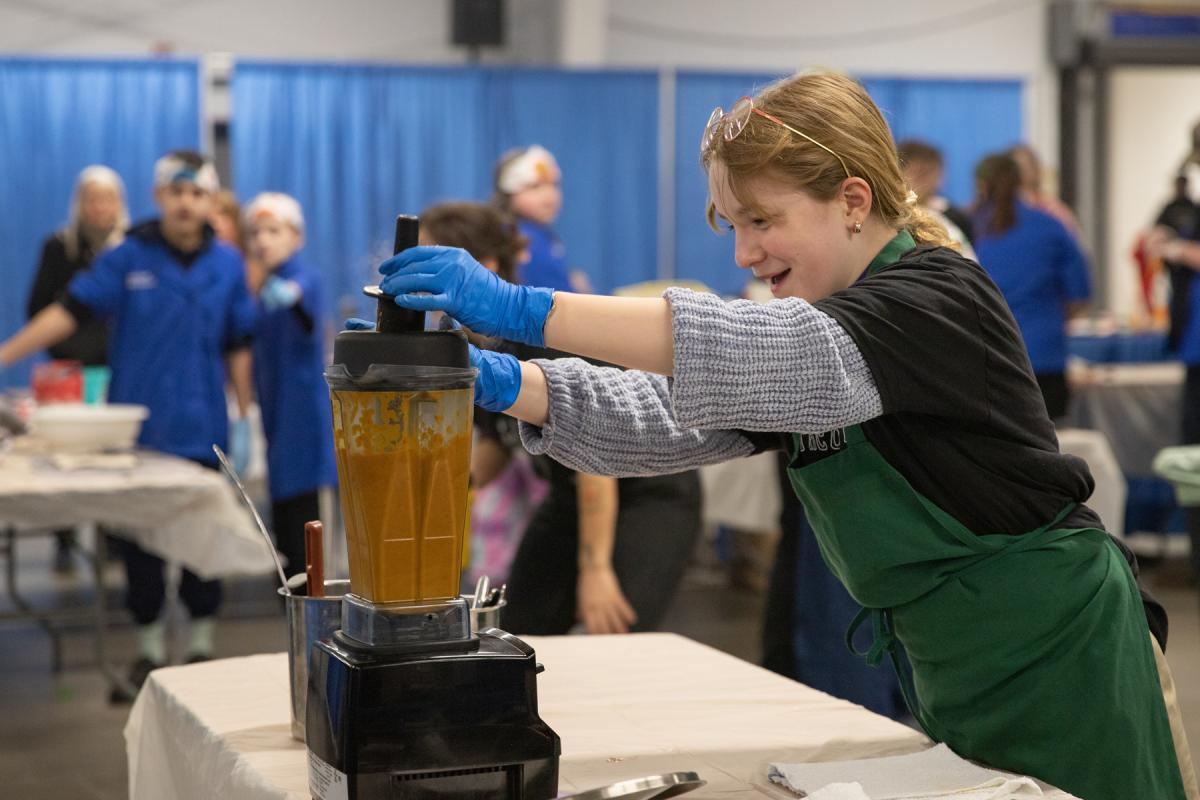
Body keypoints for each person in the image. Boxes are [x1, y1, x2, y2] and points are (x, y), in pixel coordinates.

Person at [372, 71, 1196, 800]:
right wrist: (504, 385)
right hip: (959, 665)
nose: (744, 250)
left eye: (761, 220)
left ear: (852, 199)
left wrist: (524, 310)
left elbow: (759, 350)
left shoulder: (936, 297)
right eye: (730, 225)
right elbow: (664, 417)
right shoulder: (812, 337)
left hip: (1066, 660)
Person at [0, 150, 257, 699]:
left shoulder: (228, 264)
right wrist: (5, 356)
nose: (186, 203)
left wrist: (243, 414)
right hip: (139, 431)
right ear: (159, 196)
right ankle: (145, 652)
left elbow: (239, 341)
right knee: (140, 546)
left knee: (199, 540)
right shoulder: (129, 256)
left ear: (210, 201)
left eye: (197, 193)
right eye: (176, 192)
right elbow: (70, 309)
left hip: (203, 427)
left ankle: (201, 647)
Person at [406, 201, 703, 634]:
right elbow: (497, 442)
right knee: (521, 623)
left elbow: (595, 470)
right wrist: (434, 489)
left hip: (644, 489)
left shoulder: (541, 337)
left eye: (432, 258)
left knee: (618, 634)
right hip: (569, 496)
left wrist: (596, 570)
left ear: (482, 267)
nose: (420, 274)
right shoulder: (470, 346)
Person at [26, 165, 129, 573]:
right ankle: (64, 537)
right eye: (92, 198)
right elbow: (40, 310)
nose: (100, 207)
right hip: (69, 372)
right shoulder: (59, 247)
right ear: (79, 204)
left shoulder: (129, 251)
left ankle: (114, 537)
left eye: (108, 198)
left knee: (115, 458)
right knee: (64, 456)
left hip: (117, 369)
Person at [243, 192, 337, 579]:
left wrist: (288, 295)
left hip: (302, 418)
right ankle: (290, 590)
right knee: (282, 506)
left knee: (304, 514)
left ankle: (309, 596)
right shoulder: (264, 288)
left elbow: (300, 299)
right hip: (275, 413)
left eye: (274, 231)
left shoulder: (301, 280)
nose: (263, 240)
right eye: (256, 232)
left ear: (296, 237)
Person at [970, 153, 1091, 421]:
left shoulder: (967, 229)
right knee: (1052, 448)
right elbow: (1080, 295)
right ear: (1021, 181)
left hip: (986, 360)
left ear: (980, 184)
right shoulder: (1052, 226)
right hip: (1044, 356)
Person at [494, 145, 591, 293]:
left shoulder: (541, 234)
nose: (549, 196)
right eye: (534, 187)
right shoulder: (518, 238)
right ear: (508, 194)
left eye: (554, 185)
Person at [895, 139, 975, 258]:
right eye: (919, 173)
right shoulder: (891, 216)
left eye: (931, 172)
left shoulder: (952, 215)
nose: (925, 181)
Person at [1008, 143, 1082, 239]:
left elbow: (1072, 235)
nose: (1026, 170)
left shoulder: (1051, 206)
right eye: (1021, 166)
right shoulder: (1004, 207)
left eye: (1030, 164)